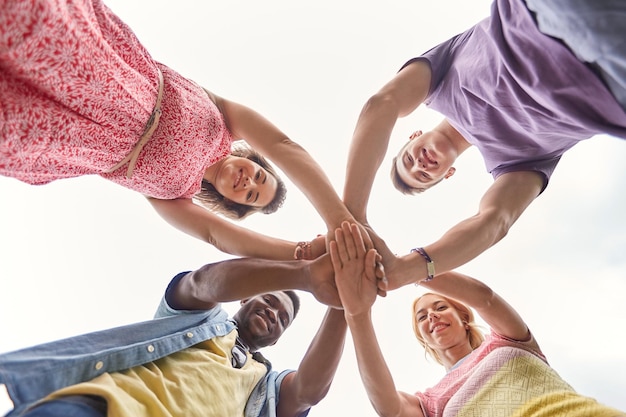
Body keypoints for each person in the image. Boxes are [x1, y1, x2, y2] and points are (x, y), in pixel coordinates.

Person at [0, 0, 359, 261]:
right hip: (110, 73)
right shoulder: (227, 121)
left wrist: (300, 252)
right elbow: (284, 145)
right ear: (252, 160)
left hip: (73, 139)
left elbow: (215, 235)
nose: (247, 183)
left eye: (250, 196)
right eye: (258, 177)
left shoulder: (176, 198)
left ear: (231, 203)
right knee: (34, 23)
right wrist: (341, 219)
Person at [342, 0, 626, 289]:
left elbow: (382, 104)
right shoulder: (512, 165)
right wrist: (404, 271)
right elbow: (493, 221)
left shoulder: (437, 82)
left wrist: (350, 218)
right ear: (447, 174)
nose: (420, 165)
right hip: (611, 88)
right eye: (424, 175)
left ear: (412, 136)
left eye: (408, 160)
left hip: (547, 19)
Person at [0, 253, 347, 417]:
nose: (274, 313)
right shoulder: (199, 320)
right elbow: (201, 282)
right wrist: (302, 274)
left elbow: (308, 392)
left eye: (282, 319)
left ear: (277, 339)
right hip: (106, 408)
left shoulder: (265, 385)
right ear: (247, 297)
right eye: (270, 300)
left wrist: (344, 304)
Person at [329, 226, 625, 417]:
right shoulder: (429, 403)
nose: (431, 315)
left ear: (464, 318)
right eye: (422, 317)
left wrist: (407, 270)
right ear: (423, 337)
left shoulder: (506, 341)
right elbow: (388, 407)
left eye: (441, 306)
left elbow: (486, 298)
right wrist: (358, 314)